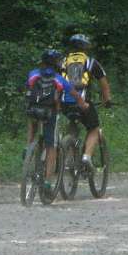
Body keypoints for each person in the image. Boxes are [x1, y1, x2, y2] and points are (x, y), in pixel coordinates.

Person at [24, 48, 84, 193]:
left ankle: (28, 148)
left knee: (32, 123)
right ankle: (47, 181)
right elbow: (74, 93)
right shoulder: (59, 78)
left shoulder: (33, 74)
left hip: (33, 111)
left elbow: (28, 89)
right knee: (52, 147)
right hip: (50, 113)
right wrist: (83, 104)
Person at [59, 33, 113, 170]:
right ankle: (86, 157)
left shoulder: (63, 62)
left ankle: (69, 158)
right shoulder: (90, 62)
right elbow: (104, 84)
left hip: (64, 102)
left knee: (72, 125)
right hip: (83, 102)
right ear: (86, 48)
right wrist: (107, 100)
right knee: (94, 128)